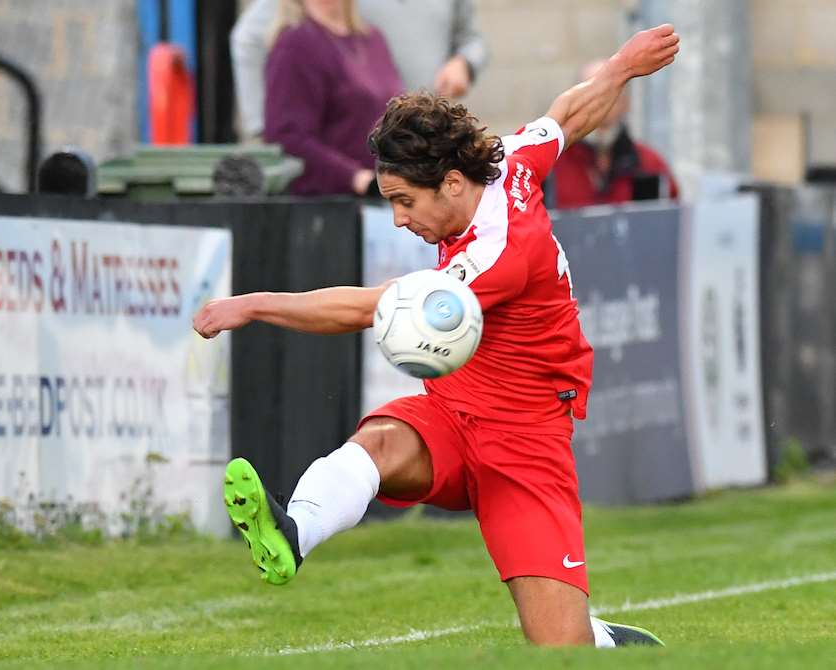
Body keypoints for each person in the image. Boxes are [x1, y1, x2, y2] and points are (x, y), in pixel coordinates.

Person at [194, 24, 680, 647]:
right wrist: (622, 65)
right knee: (381, 442)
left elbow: (364, 308)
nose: (398, 218)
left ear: (451, 183)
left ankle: (607, 641)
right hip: (453, 413)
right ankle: (293, 532)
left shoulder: (498, 253)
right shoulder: (507, 162)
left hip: (526, 442)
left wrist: (256, 304)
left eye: (403, 201)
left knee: (561, 651)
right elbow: (567, 114)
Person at [232, 0, 488, 139]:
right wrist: (265, 128)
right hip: (356, 153)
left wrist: (465, 62)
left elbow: (473, 39)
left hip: (422, 141)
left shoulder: (373, 37)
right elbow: (248, 38)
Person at [263, 0, 403, 196]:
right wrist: (354, 177)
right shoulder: (295, 44)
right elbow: (287, 135)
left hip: (385, 197)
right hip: (330, 205)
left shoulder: (373, 39)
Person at [549, 59, 679, 209]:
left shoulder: (648, 164)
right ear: (572, 101)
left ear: (626, 102)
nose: (599, 104)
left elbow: (668, 224)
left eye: (610, 92)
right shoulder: (550, 165)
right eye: (590, 94)